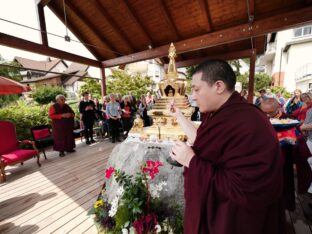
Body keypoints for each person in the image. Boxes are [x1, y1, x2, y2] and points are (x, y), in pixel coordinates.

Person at [169, 59, 284, 233]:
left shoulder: (249, 122)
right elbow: (203, 141)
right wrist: (178, 116)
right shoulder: (218, 114)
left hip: (234, 220)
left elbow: (243, 187)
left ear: (218, 86)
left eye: (196, 89)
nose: (192, 96)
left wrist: (191, 161)